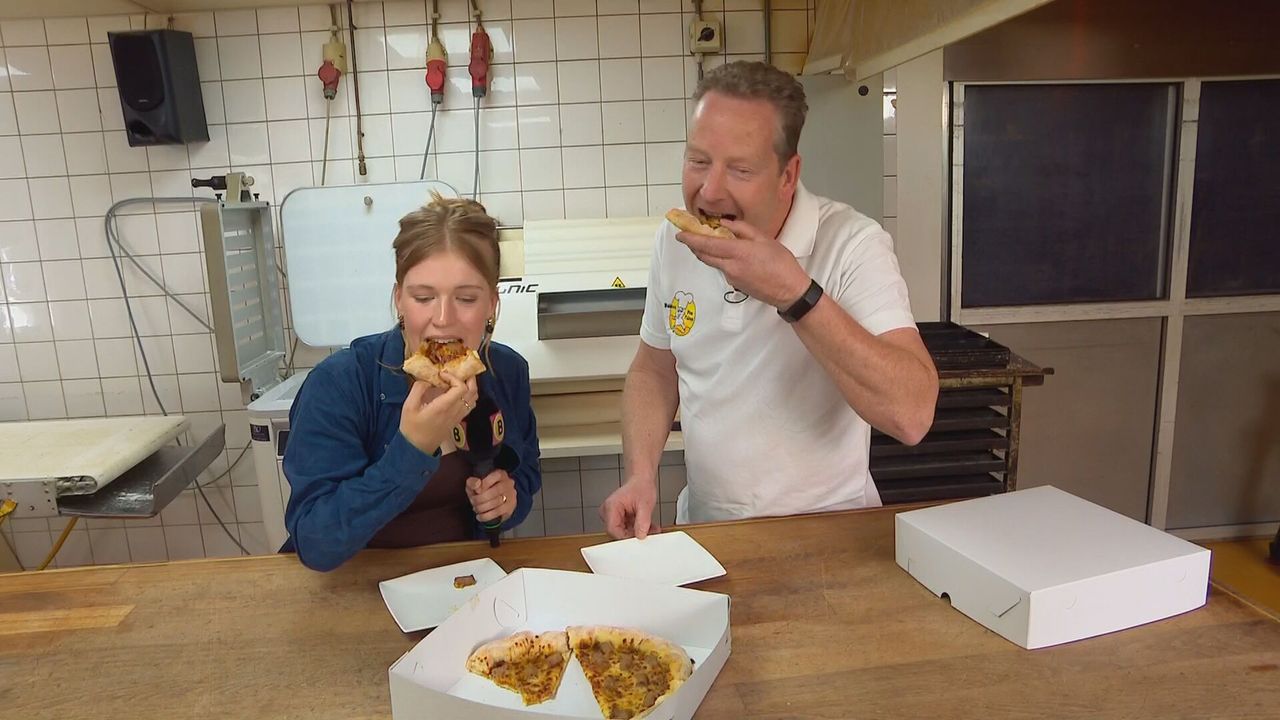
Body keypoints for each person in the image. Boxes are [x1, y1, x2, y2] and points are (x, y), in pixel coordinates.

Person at [601, 61, 938, 538]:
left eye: (739, 169)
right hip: (706, 529)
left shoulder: (852, 244)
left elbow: (912, 415)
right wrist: (640, 474)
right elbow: (654, 369)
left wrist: (794, 294)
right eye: (698, 161)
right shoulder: (672, 241)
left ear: (787, 174)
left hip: (833, 535)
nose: (709, 189)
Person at [282, 194, 541, 571]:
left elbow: (527, 474)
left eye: (466, 298)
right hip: (351, 585)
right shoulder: (339, 384)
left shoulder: (506, 372)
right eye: (423, 297)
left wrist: (505, 503)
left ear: (492, 306)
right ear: (399, 300)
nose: (442, 318)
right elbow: (315, 541)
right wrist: (412, 449)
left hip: (459, 580)